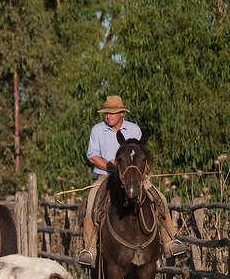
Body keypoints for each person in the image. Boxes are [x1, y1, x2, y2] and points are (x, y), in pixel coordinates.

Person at [77, 95, 185, 267]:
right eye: (106, 113)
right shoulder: (97, 130)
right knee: (91, 207)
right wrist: (109, 167)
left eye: (112, 113)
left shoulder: (134, 129)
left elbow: (142, 155)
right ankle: (90, 251)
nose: (108, 116)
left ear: (121, 113)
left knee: (161, 200)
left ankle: (169, 242)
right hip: (105, 175)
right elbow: (92, 156)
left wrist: (141, 171)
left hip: (134, 176)